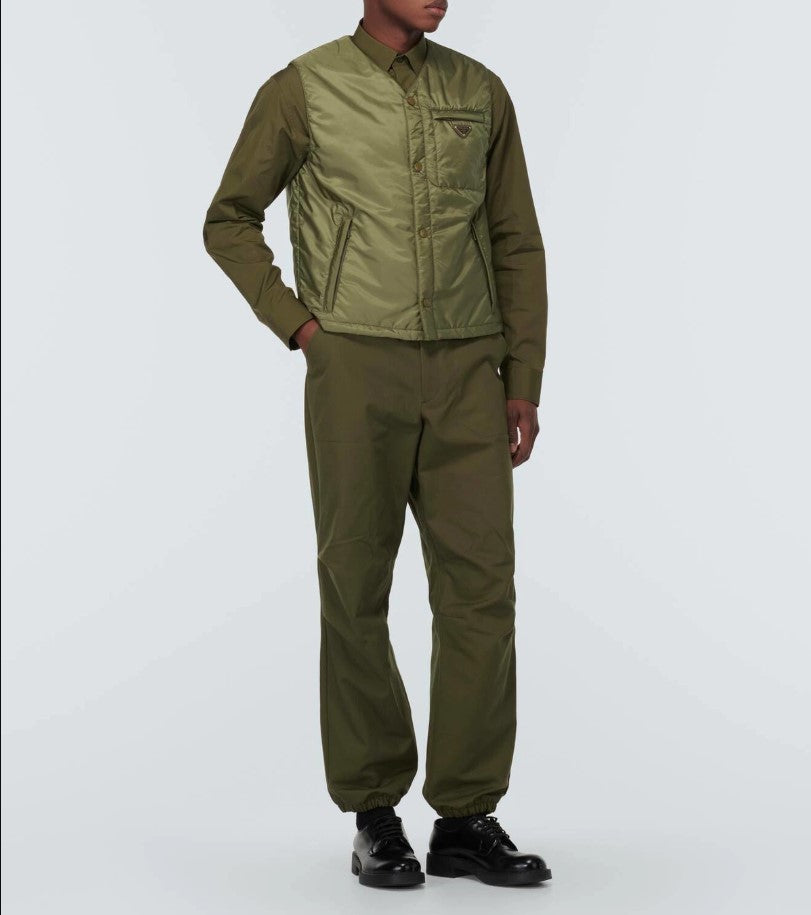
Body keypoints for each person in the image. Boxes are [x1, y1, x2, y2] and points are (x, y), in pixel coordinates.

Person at [203, 0, 551, 889]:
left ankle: (465, 815)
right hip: (354, 363)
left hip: (468, 367)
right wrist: (301, 327)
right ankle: (373, 812)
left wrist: (521, 376)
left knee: (482, 590)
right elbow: (229, 219)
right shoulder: (304, 88)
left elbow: (514, 239)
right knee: (356, 584)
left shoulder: (480, 90)